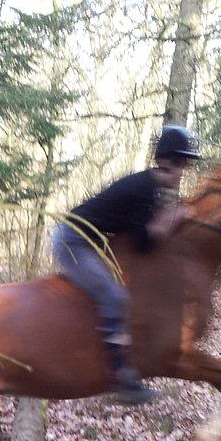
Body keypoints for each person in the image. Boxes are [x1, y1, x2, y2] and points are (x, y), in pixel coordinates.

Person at [53, 125, 201, 405]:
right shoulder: (144, 189)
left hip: (90, 242)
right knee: (115, 297)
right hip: (73, 241)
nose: (183, 171)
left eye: (185, 164)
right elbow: (144, 241)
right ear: (165, 161)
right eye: (181, 163)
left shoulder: (150, 188)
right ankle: (120, 377)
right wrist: (173, 218)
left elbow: (141, 238)